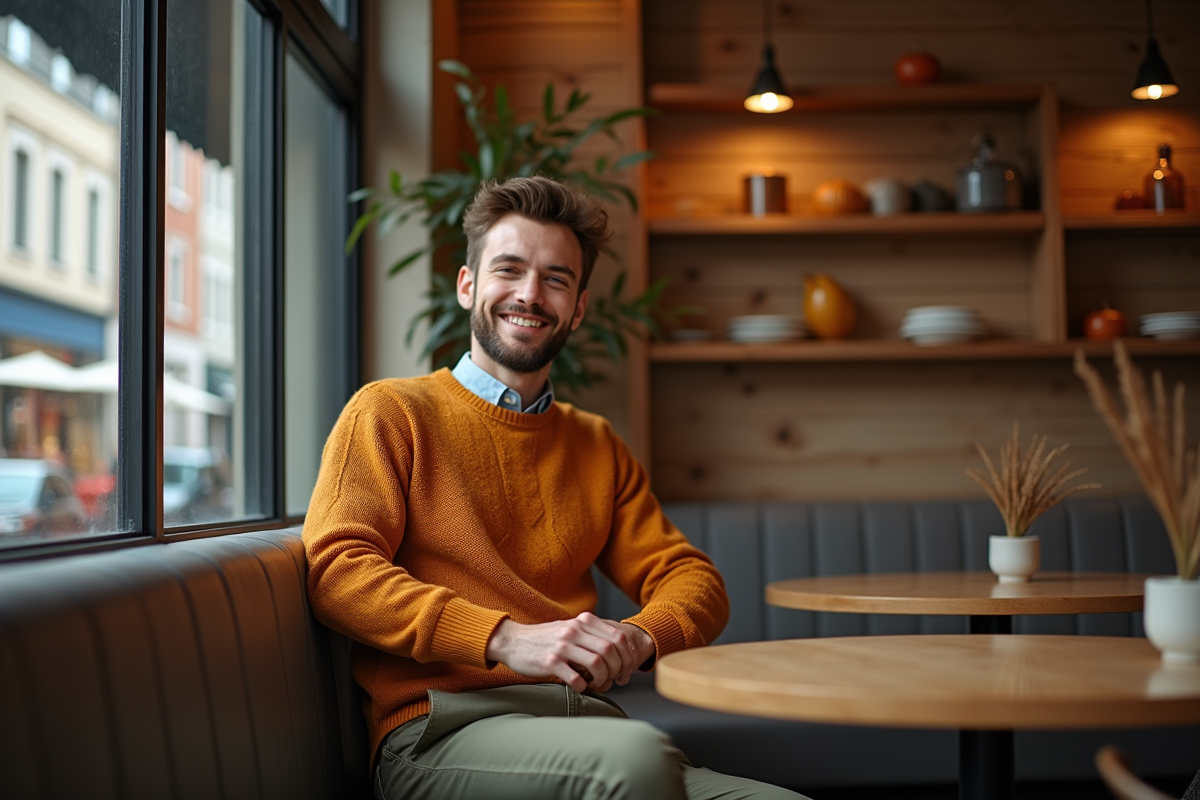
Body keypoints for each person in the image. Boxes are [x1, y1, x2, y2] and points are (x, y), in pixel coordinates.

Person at [302, 176, 809, 800]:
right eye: (508, 269)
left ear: (579, 306)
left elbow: (693, 579)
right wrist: (506, 639)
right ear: (468, 286)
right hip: (440, 732)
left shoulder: (597, 444)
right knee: (635, 760)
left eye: (556, 279)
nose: (530, 294)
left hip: (587, 728)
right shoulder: (389, 412)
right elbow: (337, 573)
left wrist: (641, 637)